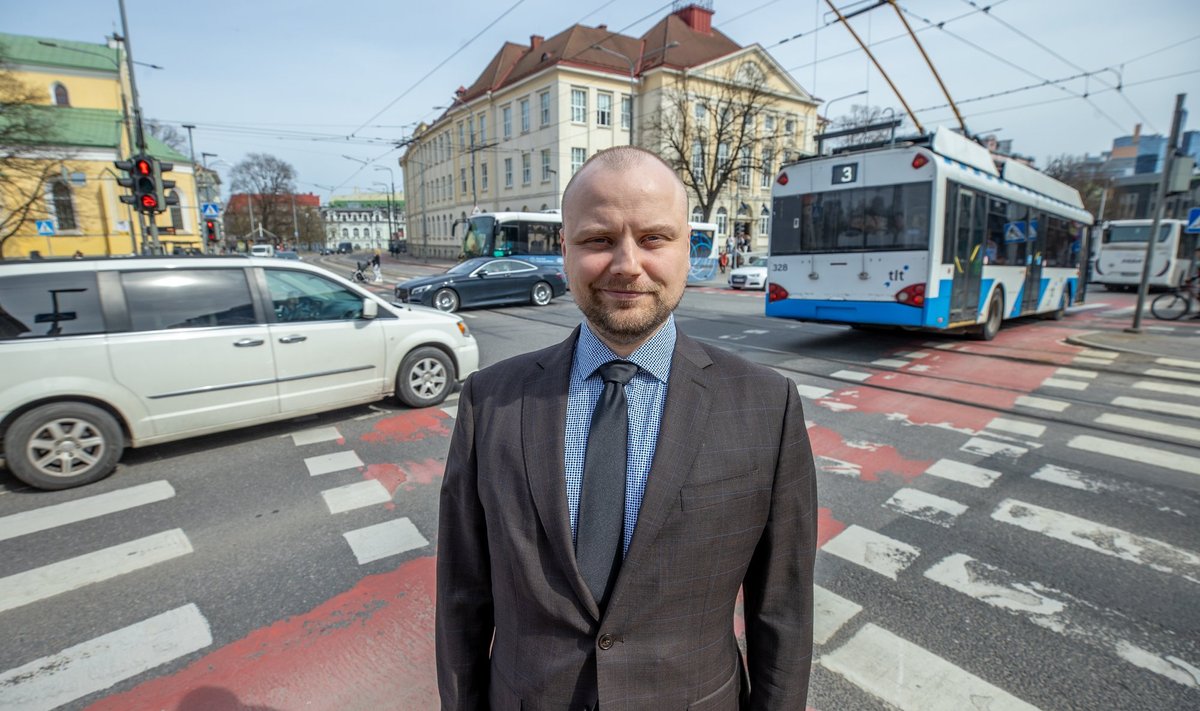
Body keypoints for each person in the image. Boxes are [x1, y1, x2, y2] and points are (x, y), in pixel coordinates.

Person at [437, 146, 817, 710]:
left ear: (688, 246)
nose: (627, 263)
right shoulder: (490, 401)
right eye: (598, 240)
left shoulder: (767, 404)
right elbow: (462, 598)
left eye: (655, 238)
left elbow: (781, 612)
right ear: (564, 250)